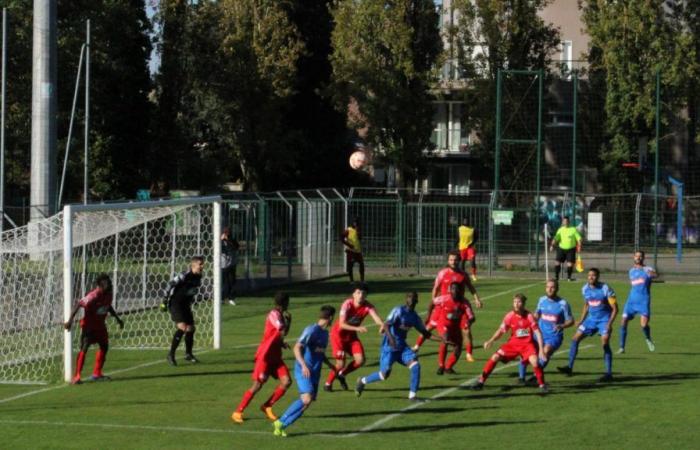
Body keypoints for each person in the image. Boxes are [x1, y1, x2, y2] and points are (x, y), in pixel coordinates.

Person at [355, 292, 442, 401]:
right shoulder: (398, 310)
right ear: (406, 300)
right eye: (409, 297)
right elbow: (386, 325)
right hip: (389, 346)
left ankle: (412, 395)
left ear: (416, 301)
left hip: (402, 347)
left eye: (413, 298)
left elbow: (425, 333)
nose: (411, 300)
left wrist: (442, 340)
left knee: (415, 366)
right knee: (384, 375)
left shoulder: (414, 317)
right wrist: (391, 339)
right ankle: (362, 381)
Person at [272, 305, 336, 437]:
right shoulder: (311, 330)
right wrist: (304, 365)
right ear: (330, 318)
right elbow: (297, 348)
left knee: (307, 402)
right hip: (304, 370)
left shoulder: (325, 334)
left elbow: (319, 353)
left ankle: (282, 425)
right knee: (306, 399)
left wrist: (330, 364)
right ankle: (280, 421)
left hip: (315, 372)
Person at [233, 292, 293, 423]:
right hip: (265, 356)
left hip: (275, 356)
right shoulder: (274, 314)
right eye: (288, 302)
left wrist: (281, 342)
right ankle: (238, 411)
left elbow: (277, 335)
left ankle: (267, 406)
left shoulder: (280, 315)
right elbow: (282, 330)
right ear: (284, 302)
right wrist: (289, 323)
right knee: (257, 385)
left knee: (287, 381)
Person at [470, 294, 548, 394]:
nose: (516, 304)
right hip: (513, 344)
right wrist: (491, 340)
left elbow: (538, 333)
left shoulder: (529, 316)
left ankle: (542, 385)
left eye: (519, 302)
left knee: (535, 361)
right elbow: (501, 330)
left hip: (527, 345)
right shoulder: (509, 316)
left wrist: (541, 350)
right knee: (495, 357)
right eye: (514, 302)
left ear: (523, 304)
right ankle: (481, 382)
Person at [413, 250, 482, 362]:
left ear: (459, 260)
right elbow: (435, 288)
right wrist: (434, 301)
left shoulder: (463, 274)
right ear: (448, 260)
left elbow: (470, 287)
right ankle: (416, 347)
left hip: (459, 306)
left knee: (466, 329)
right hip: (443, 305)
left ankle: (469, 353)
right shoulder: (442, 273)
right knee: (429, 326)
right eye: (451, 259)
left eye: (455, 260)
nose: (453, 262)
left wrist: (476, 299)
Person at [324, 283, 393, 391]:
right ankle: (328, 383)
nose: (361, 295)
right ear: (353, 294)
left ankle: (342, 375)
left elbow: (376, 318)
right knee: (340, 363)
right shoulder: (347, 304)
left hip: (351, 337)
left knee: (360, 360)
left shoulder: (368, 306)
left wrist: (382, 325)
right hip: (338, 336)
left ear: (366, 295)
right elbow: (342, 324)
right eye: (358, 292)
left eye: (363, 293)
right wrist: (357, 328)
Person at [557, 268, 618, 382]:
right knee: (575, 338)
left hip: (604, 320)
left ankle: (609, 374)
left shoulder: (605, 288)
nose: (591, 277)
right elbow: (586, 305)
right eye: (589, 275)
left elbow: (615, 309)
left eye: (594, 275)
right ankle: (569, 367)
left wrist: (609, 323)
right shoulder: (585, 289)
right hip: (591, 320)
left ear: (598, 276)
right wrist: (581, 320)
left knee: (605, 342)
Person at [64, 274, 124, 384]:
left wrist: (117, 319)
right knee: (84, 348)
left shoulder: (108, 294)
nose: (110, 284)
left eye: (109, 282)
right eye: (107, 283)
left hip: (101, 326)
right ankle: (77, 376)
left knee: (104, 346)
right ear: (100, 285)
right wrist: (70, 320)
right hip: (89, 327)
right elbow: (79, 304)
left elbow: (108, 306)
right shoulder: (93, 296)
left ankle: (97, 373)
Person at [518, 279, 573, 382]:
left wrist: (562, 325)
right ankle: (521, 377)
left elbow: (571, 321)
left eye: (552, 287)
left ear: (557, 289)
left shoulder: (563, 304)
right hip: (539, 333)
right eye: (548, 287)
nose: (549, 289)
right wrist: (532, 319)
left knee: (545, 351)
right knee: (525, 350)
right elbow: (537, 313)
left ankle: (536, 375)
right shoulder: (542, 300)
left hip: (554, 336)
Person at [165, 256, 205, 366]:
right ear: (193, 265)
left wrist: (193, 299)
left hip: (185, 304)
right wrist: (164, 301)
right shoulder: (184, 275)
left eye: (202, 264)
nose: (202, 266)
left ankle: (188, 354)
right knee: (182, 327)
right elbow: (170, 284)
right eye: (200, 264)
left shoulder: (199, 276)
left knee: (191, 329)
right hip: (176, 303)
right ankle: (171, 354)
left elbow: (191, 290)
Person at [618, 250, 657, 354]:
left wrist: (649, 272)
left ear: (643, 258)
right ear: (633, 257)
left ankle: (648, 339)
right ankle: (622, 348)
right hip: (631, 301)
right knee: (623, 322)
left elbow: (655, 275)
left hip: (643, 301)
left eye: (640, 256)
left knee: (644, 325)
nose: (638, 258)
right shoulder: (631, 271)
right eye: (636, 256)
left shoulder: (647, 269)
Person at [433, 282, 474, 375]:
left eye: (456, 289)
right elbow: (433, 302)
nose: (454, 291)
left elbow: (472, 317)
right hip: (443, 324)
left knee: (458, 347)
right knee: (445, 338)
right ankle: (441, 366)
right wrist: (429, 316)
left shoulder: (464, 302)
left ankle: (448, 367)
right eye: (453, 289)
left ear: (460, 291)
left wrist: (469, 322)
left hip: (455, 327)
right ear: (450, 290)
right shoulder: (444, 299)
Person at [549, 216, 582, 281]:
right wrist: (552, 245)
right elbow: (556, 238)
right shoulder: (560, 230)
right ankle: (556, 277)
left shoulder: (573, 229)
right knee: (557, 262)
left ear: (569, 222)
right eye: (564, 221)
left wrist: (579, 246)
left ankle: (569, 277)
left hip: (571, 249)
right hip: (561, 249)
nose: (565, 222)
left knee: (570, 264)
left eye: (567, 221)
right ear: (562, 222)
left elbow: (579, 239)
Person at [221, 226, 240, 306]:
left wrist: (228, 240)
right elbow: (222, 249)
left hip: (232, 264)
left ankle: (231, 298)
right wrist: (221, 240)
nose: (227, 235)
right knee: (223, 282)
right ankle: (221, 298)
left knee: (232, 282)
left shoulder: (232, 240)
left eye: (228, 233)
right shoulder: (220, 241)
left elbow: (235, 247)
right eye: (226, 233)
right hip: (223, 265)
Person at [341, 218, 364, 283]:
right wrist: (348, 244)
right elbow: (341, 237)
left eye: (357, 223)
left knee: (362, 264)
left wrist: (358, 232)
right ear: (353, 223)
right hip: (351, 251)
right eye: (355, 223)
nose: (356, 224)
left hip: (358, 250)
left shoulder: (358, 230)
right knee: (351, 265)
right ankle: (351, 280)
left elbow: (359, 238)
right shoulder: (348, 230)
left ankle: (362, 280)